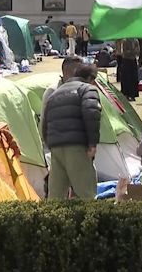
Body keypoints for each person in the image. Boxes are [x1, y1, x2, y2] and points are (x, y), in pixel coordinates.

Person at [42, 64, 102, 199]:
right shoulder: (87, 89)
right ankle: (93, 220)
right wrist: (92, 144)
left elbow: (45, 122)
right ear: (90, 78)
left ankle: (53, 220)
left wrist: (50, 143)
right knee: (87, 193)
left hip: (55, 146)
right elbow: (91, 114)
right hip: (76, 146)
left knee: (56, 195)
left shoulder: (56, 92)